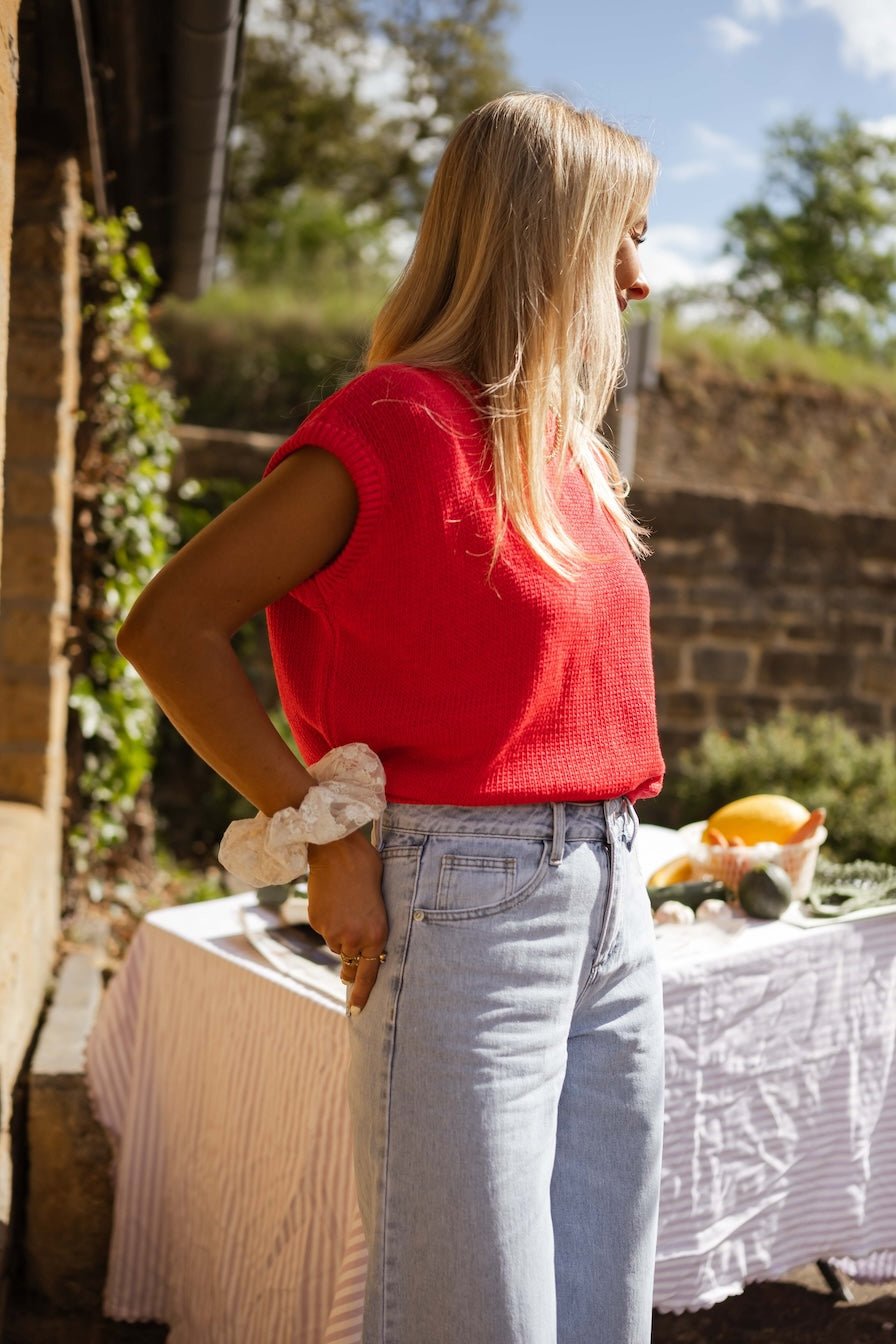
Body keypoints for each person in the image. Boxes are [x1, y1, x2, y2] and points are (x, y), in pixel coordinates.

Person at [117, 92, 665, 1344]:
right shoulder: (391, 423)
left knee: (598, 1316)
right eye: (623, 236)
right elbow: (169, 627)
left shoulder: (563, 452)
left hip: (612, 893)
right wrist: (321, 833)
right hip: (463, 908)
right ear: (551, 240)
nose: (639, 277)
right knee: (476, 1318)